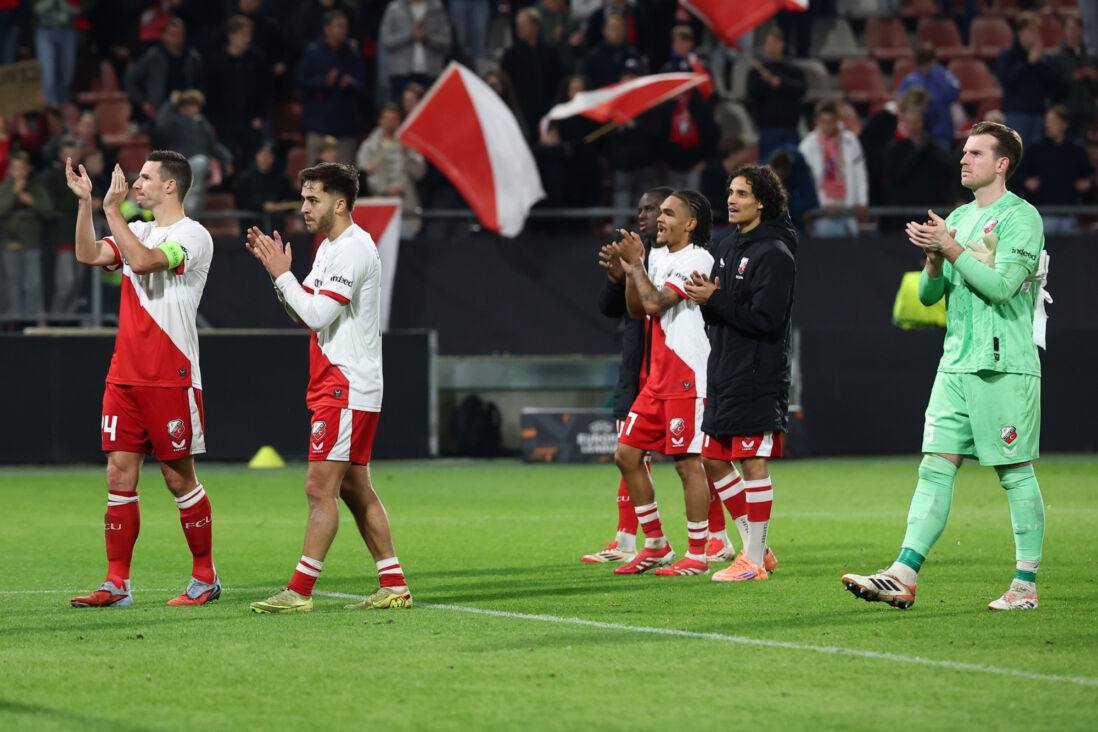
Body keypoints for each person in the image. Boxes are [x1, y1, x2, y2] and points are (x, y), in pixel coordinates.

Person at [842, 121, 1049, 611]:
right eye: (963, 152)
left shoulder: (1022, 218)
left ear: (1002, 164)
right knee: (935, 467)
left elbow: (1001, 288)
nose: (964, 159)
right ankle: (903, 573)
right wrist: (933, 260)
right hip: (955, 364)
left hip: (1003, 364)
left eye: (976, 153)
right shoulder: (958, 215)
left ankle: (1025, 586)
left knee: (1014, 472)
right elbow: (931, 295)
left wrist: (950, 247)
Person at [247, 162, 412, 613]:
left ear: (340, 204)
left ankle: (299, 591)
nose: (303, 207)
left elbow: (317, 316)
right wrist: (279, 274)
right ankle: (393, 583)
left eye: (312, 198)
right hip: (339, 382)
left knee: (319, 487)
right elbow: (305, 313)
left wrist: (283, 275)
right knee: (355, 487)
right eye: (303, 197)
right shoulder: (329, 248)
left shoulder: (354, 250)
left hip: (345, 384)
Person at [67, 150, 220, 608]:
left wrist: (111, 211)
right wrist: (86, 205)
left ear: (171, 185)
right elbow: (88, 253)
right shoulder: (137, 227)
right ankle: (117, 584)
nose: (136, 183)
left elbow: (148, 262)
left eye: (146, 177)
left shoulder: (194, 236)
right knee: (118, 474)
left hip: (171, 375)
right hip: (125, 375)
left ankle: (204, 577)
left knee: (178, 479)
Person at [684, 164, 795, 582]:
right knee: (713, 458)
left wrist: (717, 300)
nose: (731, 200)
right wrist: (707, 300)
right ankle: (757, 548)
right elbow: (724, 312)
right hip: (725, 368)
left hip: (757, 373)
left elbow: (767, 320)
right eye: (730, 192)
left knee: (752, 462)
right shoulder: (729, 247)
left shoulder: (775, 253)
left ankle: (751, 561)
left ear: (762, 201)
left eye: (742, 194)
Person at [602, 190, 715, 576]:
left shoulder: (697, 257)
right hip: (656, 378)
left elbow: (655, 304)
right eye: (659, 212)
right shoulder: (660, 255)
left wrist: (636, 265)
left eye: (669, 213)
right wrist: (634, 268)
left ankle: (698, 554)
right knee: (626, 454)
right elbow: (636, 308)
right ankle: (655, 544)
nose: (659, 219)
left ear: (691, 224)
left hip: (685, 376)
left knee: (687, 464)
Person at [583, 187, 671, 564]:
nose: (645, 214)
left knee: (697, 459)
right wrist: (617, 278)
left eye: (653, 208)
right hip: (637, 371)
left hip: (675, 371)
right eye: (641, 208)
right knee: (630, 454)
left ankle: (721, 541)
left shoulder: (678, 258)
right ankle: (626, 541)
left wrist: (637, 270)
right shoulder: (637, 255)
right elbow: (608, 308)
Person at [296, 9, 366, 166]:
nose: (344, 30)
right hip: (319, 123)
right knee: (316, 176)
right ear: (326, 28)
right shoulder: (313, 52)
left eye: (345, 26)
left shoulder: (352, 53)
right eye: (339, 26)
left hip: (345, 125)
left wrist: (351, 83)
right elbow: (301, 80)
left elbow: (362, 85)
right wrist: (324, 82)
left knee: (344, 177)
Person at [881, 89, 955, 231]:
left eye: (916, 121)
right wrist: (918, 150)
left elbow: (947, 167)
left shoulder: (931, 146)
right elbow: (896, 176)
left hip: (929, 213)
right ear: (903, 122)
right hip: (902, 215)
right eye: (909, 121)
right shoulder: (894, 148)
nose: (913, 125)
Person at [203, 14, 272, 166]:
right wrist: (215, 120)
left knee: (252, 160)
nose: (247, 39)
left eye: (249, 35)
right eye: (243, 35)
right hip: (225, 121)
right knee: (227, 161)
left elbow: (265, 91)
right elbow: (211, 93)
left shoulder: (257, 59)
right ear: (231, 36)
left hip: (251, 120)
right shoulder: (217, 61)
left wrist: (260, 116)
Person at [154, 90, 234, 215]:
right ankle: (184, 218)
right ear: (183, 107)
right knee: (199, 166)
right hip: (181, 166)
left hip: (200, 168)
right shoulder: (175, 121)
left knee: (198, 193)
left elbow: (212, 145)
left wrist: (227, 159)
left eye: (197, 106)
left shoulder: (201, 123)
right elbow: (161, 125)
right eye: (191, 105)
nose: (195, 109)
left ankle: (190, 221)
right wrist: (170, 104)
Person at [1017, 105, 1094, 234]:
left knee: (1068, 252)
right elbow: (1020, 174)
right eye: (1047, 122)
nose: (1048, 125)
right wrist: (1027, 182)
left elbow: (1089, 174)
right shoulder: (1036, 148)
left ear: (1064, 124)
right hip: (1043, 213)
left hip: (1069, 214)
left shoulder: (1076, 149)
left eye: (1053, 122)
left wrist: (1088, 183)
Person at [799, 100, 868, 238]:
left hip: (849, 207)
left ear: (837, 120)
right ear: (816, 121)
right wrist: (821, 205)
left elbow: (859, 174)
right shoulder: (806, 147)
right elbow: (806, 182)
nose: (827, 126)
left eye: (830, 121)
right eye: (823, 121)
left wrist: (862, 201)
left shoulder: (851, 141)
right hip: (822, 212)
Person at [997, 11, 1067, 149]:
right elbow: (1007, 79)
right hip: (1017, 115)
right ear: (1020, 33)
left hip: (1038, 115)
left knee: (1035, 158)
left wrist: (1040, 63)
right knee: (1017, 156)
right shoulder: (1008, 55)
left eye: (1037, 31)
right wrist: (1028, 62)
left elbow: (1056, 86)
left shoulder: (1042, 60)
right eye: (1031, 30)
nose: (1036, 35)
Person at [356, 103, 427, 236]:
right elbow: (363, 175)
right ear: (380, 120)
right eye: (386, 118)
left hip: (405, 204)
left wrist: (408, 154)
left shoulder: (409, 144)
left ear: (399, 121)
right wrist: (384, 189)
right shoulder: (368, 146)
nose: (390, 123)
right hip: (378, 204)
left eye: (394, 119)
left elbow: (420, 173)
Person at [124, 18, 204, 125]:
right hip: (158, 114)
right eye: (172, 34)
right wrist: (144, 103)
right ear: (164, 35)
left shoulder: (193, 58)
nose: (176, 38)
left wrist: (195, 105)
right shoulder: (153, 56)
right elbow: (130, 80)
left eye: (179, 34)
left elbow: (200, 86)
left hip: (186, 115)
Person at [0, 152, 50, 322]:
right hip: (8, 243)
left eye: (22, 168)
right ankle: (12, 322)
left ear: (29, 169)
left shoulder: (36, 187)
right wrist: (15, 193)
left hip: (32, 243)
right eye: (15, 169)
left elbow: (48, 210)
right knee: (11, 285)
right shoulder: (4, 188)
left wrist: (31, 201)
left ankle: (30, 321)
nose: (19, 173)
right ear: (9, 171)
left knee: (32, 284)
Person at [747, 26, 806, 165]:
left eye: (775, 43)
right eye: (768, 43)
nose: (772, 47)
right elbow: (751, 93)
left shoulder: (793, 70)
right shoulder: (756, 72)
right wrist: (764, 82)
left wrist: (780, 83)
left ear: (782, 44)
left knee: (791, 168)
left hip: (790, 129)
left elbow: (801, 89)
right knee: (767, 171)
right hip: (768, 130)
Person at [501, 7, 564, 137]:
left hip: (549, 108)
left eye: (524, 25)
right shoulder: (510, 56)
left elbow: (559, 81)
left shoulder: (550, 52)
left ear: (535, 26)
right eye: (518, 25)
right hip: (523, 112)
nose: (519, 29)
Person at [379, 0, 452, 103]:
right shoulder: (394, 7)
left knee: (430, 112)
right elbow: (386, 40)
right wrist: (410, 35)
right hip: (401, 73)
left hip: (431, 73)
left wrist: (427, 38)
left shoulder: (436, 7)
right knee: (401, 114)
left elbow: (446, 42)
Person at [898, 43, 961, 152]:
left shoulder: (941, 74)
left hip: (941, 133)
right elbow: (903, 107)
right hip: (918, 135)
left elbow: (954, 92)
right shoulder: (910, 81)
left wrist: (938, 73)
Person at [1050, 10, 1098, 140]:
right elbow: (1053, 84)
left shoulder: (1092, 56)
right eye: (1069, 27)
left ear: (1082, 30)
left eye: (1076, 27)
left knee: (1080, 149)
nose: (1072, 31)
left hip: (1086, 110)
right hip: (1066, 111)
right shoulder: (1056, 56)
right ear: (1064, 30)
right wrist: (1072, 77)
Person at [234, 141, 299, 232]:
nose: (265, 158)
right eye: (262, 154)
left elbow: (291, 201)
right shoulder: (245, 178)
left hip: (276, 229)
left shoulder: (282, 179)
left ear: (273, 158)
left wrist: (280, 206)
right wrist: (262, 206)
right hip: (251, 229)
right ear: (256, 156)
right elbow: (240, 202)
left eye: (269, 155)